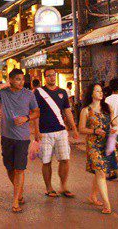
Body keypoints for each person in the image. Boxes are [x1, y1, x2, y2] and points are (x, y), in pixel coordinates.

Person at [0, 69, 39, 214]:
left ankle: (15, 201)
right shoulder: (4, 93)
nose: (20, 82)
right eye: (17, 79)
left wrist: (26, 118)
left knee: (19, 169)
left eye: (22, 79)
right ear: (11, 80)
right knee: (9, 168)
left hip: (22, 138)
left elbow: (37, 112)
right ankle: (19, 191)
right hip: (7, 137)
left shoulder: (28, 94)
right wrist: (4, 85)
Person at [34, 68, 79, 198]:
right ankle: (49, 187)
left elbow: (67, 111)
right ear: (45, 78)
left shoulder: (62, 92)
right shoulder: (38, 92)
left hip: (61, 131)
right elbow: (35, 113)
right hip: (45, 132)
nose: (51, 78)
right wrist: (36, 131)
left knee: (65, 159)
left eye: (53, 75)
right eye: (48, 76)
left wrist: (74, 128)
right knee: (46, 161)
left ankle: (64, 186)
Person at [78, 83, 117, 215]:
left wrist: (112, 130)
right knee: (100, 172)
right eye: (98, 91)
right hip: (93, 144)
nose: (101, 93)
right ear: (91, 93)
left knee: (100, 171)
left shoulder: (108, 108)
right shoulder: (86, 111)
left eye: (101, 91)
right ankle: (107, 204)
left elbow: (114, 124)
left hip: (106, 144)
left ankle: (93, 196)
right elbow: (81, 129)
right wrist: (94, 130)